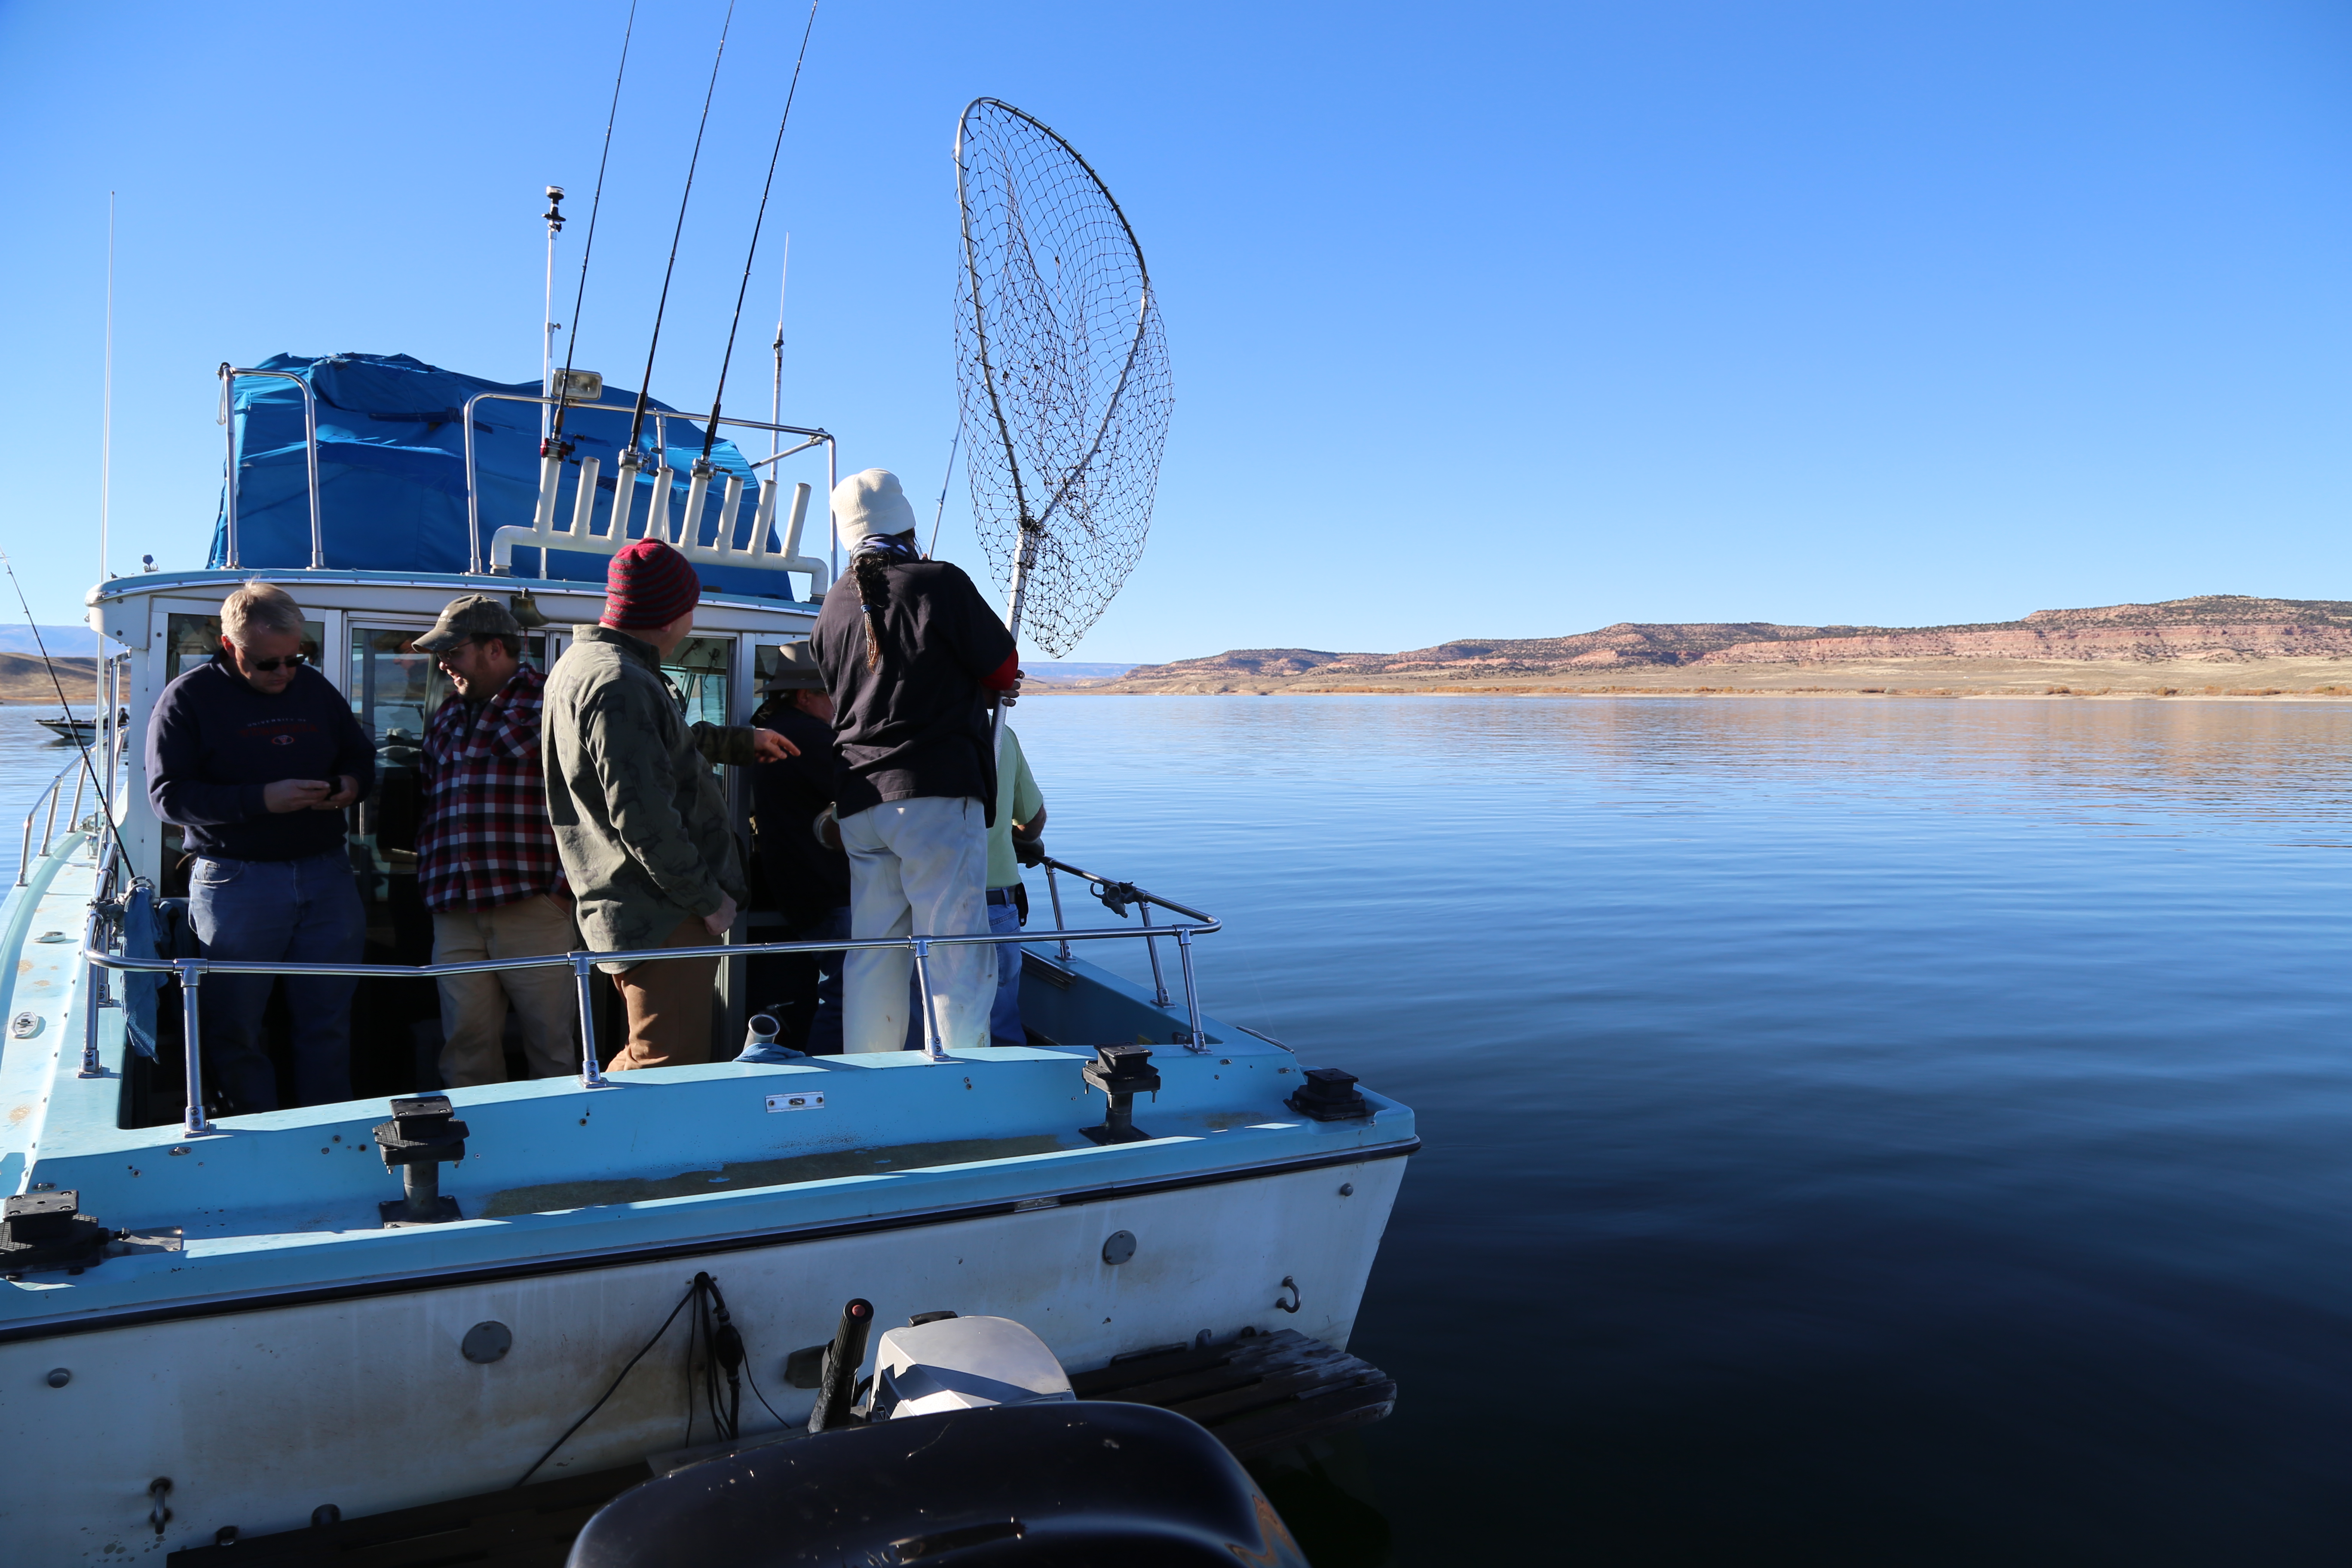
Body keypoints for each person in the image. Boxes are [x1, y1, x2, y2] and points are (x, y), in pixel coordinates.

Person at [543, 539, 794, 1071]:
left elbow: (648, 750)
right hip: (662, 914)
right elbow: (643, 817)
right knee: (665, 1068)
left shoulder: (582, 665)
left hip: (635, 909)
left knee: (647, 1054)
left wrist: (737, 742)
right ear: (673, 615)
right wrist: (708, 900)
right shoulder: (620, 682)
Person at [808, 469, 1018, 1055]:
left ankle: (872, 1069)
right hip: (932, 796)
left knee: (874, 953)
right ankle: (962, 1078)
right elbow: (1003, 668)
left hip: (859, 803)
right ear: (907, 523)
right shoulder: (939, 582)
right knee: (955, 951)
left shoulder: (830, 607)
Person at [146, 579, 373, 1111]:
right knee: (236, 1027)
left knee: (329, 1022)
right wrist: (261, 800)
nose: (285, 673)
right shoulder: (187, 699)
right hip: (235, 883)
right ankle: (253, 1136)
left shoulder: (315, 690)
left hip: (326, 876)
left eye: (296, 658)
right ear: (230, 647)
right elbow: (167, 798)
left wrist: (349, 788)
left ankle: (328, 1130)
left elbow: (360, 757)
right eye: (268, 664)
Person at [412, 594, 579, 1086]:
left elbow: (589, 796)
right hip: (456, 910)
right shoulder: (445, 716)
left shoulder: (552, 703)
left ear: (495, 649)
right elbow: (429, 803)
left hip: (532, 905)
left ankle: (564, 1152)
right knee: (464, 1046)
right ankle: (480, 1154)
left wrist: (560, 890)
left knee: (551, 1044)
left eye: (453, 652)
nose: (443, 664)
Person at [745, 643, 853, 1057]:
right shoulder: (810, 735)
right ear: (805, 695)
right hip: (824, 888)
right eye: (832, 693)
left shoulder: (773, 726)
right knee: (846, 993)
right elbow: (862, 793)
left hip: (795, 885)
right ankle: (829, 1076)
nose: (840, 702)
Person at [983, 699, 1048, 1048]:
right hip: (995, 906)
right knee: (1001, 1027)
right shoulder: (1001, 735)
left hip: (919, 907)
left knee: (921, 1028)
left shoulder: (902, 732)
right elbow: (1031, 824)